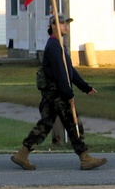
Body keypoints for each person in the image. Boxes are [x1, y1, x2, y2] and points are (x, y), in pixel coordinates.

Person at [11, 15, 108, 171]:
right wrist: (68, 94)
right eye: (62, 23)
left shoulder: (58, 45)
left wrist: (85, 87)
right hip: (57, 94)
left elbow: (70, 71)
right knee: (74, 124)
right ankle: (85, 158)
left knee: (45, 124)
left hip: (54, 94)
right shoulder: (54, 46)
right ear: (54, 25)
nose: (66, 26)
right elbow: (61, 73)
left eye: (67, 23)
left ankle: (22, 154)